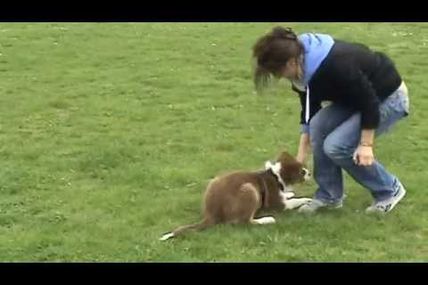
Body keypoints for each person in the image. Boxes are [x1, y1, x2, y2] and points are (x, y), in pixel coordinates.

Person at [252, 26, 410, 214]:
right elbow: (310, 108)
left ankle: (389, 189)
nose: (279, 77)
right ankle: (329, 196)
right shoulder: (302, 68)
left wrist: (366, 144)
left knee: (337, 146)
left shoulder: (335, 65)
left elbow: (369, 101)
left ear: (291, 62)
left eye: (278, 72)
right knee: (318, 125)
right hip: (354, 99)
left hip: (387, 98)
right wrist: (301, 155)